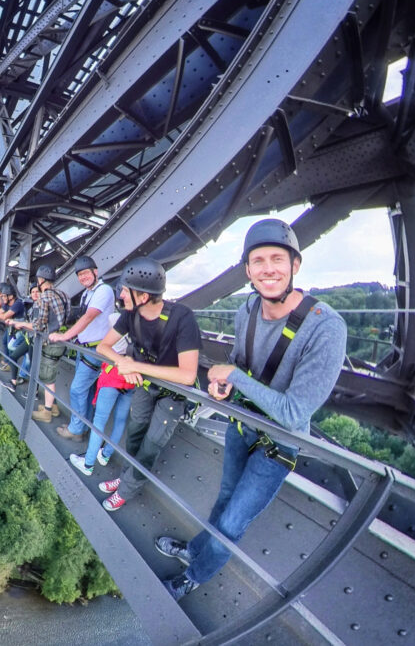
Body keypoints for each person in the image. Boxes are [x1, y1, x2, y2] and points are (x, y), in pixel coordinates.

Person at [154, 219, 347, 600]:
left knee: (232, 521)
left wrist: (235, 378)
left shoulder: (326, 328)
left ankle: (194, 575)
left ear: (296, 265)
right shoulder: (247, 311)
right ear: (247, 271)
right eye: (258, 261)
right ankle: (195, 549)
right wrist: (222, 386)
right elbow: (240, 366)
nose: (268, 268)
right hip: (241, 427)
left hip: (278, 446)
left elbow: (293, 414)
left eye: (278, 258)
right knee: (224, 500)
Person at [94, 256, 200, 512]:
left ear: (142, 296)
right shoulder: (131, 316)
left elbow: (187, 375)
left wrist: (135, 366)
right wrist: (123, 362)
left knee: (151, 445)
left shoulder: (182, 318)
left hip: (173, 394)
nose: (120, 294)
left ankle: (126, 490)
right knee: (135, 435)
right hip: (145, 386)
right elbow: (103, 346)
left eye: (124, 289)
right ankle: (126, 477)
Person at [48, 255, 118, 443]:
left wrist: (65, 335)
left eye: (86, 273)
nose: (83, 277)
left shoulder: (104, 291)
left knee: (77, 390)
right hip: (85, 349)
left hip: (95, 351)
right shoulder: (89, 293)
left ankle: (76, 429)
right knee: (84, 391)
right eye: (80, 275)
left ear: (95, 272)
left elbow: (88, 317)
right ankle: (81, 426)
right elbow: (79, 314)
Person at [68, 322, 135, 475]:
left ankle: (88, 464)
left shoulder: (119, 324)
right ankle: (105, 455)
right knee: (120, 421)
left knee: (99, 423)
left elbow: (106, 343)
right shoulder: (142, 331)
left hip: (112, 378)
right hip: (130, 381)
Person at [5, 265, 68, 422]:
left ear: (41, 281)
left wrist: (20, 324)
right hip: (61, 340)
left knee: (47, 377)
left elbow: (38, 325)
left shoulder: (44, 297)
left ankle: (47, 412)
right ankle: (51, 406)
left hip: (49, 342)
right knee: (49, 375)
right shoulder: (63, 294)